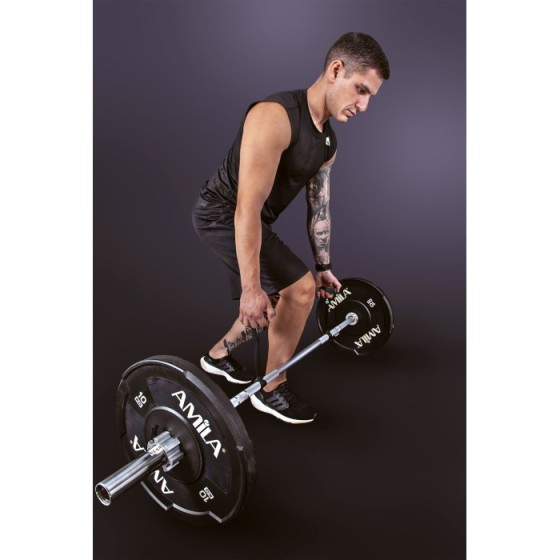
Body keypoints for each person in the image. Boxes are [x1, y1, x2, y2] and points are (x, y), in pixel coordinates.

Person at [192, 32, 390, 424]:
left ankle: (217, 356)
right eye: (361, 90)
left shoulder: (327, 143)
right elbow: (246, 208)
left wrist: (323, 266)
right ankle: (271, 388)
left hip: (251, 219)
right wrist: (251, 289)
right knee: (297, 292)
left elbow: (320, 208)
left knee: (281, 296)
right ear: (336, 70)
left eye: (371, 97)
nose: (364, 105)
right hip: (221, 213)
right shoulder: (275, 116)